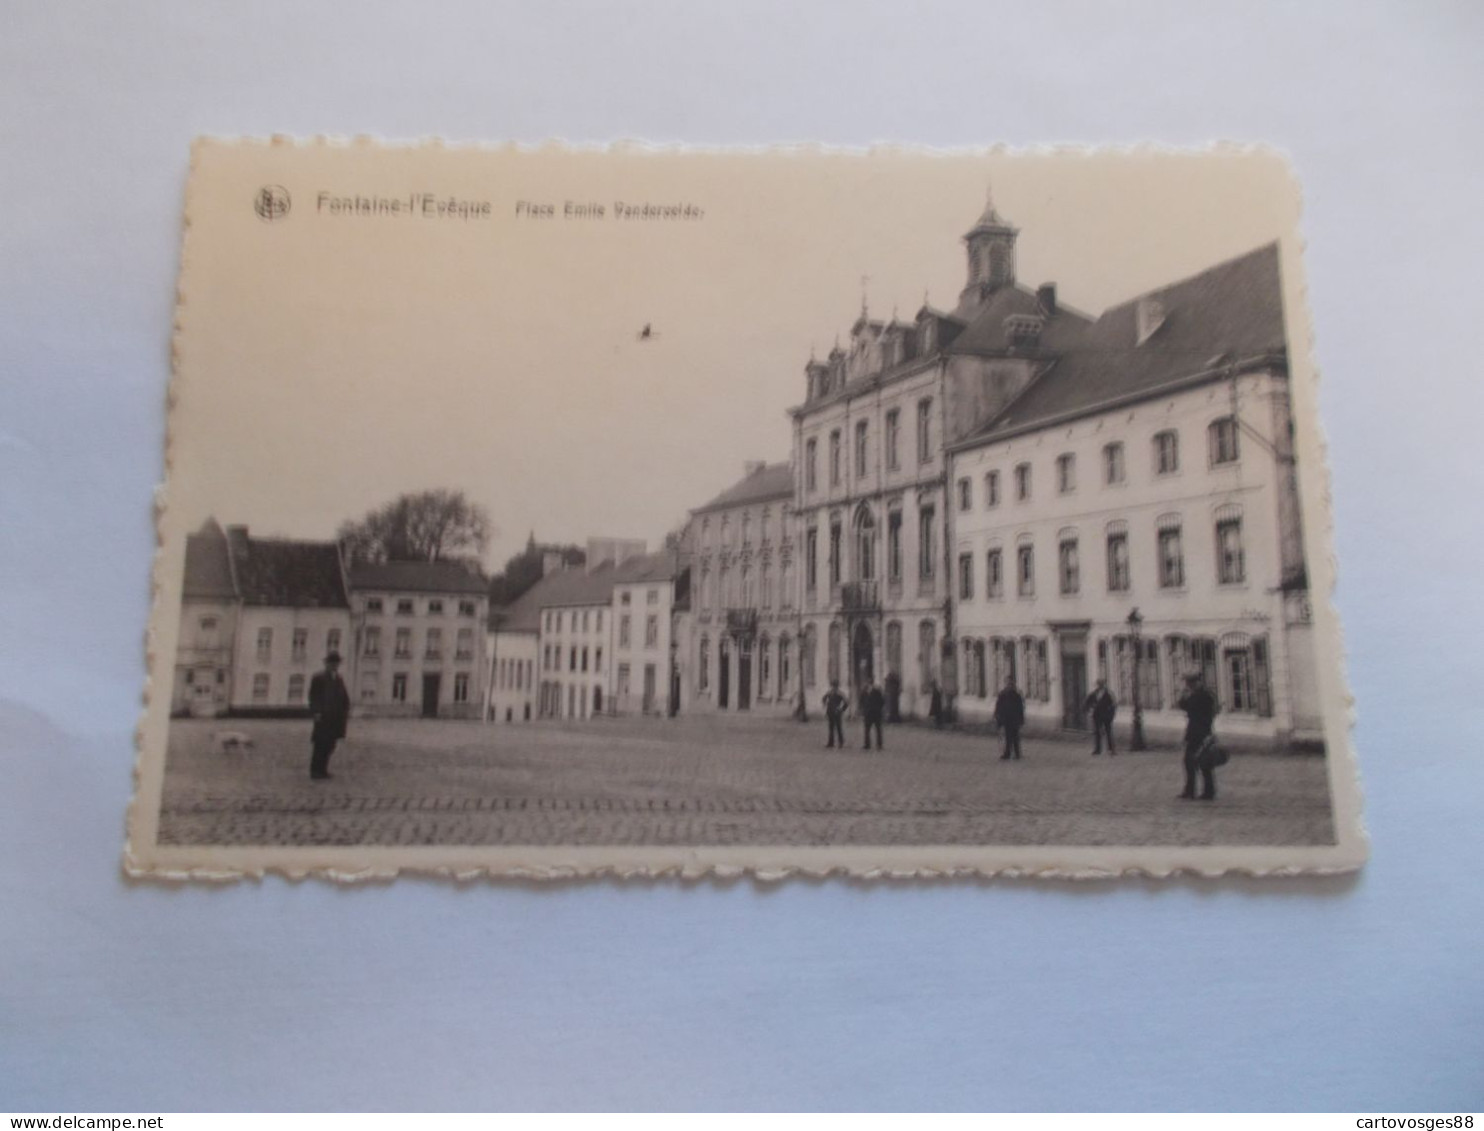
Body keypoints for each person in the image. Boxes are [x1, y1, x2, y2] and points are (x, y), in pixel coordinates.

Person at [308, 651, 351, 781]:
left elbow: (344, 697)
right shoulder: (319, 678)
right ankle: (315, 771)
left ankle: (323, 770)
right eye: (332, 663)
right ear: (326, 664)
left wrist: (345, 709)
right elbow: (313, 697)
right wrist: (316, 712)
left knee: (330, 745)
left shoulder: (338, 678)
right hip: (323, 717)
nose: (334, 666)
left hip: (335, 718)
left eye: (336, 663)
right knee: (320, 744)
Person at [1177, 671, 1220, 800]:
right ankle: (1192, 790)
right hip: (1195, 732)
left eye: (1189, 683)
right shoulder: (1198, 694)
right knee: (1190, 762)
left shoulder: (1203, 696)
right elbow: (1183, 706)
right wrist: (1185, 696)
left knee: (1203, 762)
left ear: (1195, 682)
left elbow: (1189, 707)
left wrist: (1186, 697)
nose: (1188, 686)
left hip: (1201, 733)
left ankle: (1207, 791)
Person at [993, 677, 1026, 761]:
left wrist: (1021, 719)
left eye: (1011, 683)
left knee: (1015, 737)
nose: (1010, 685)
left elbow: (1020, 708)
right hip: (1006, 719)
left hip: (1014, 719)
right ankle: (1007, 753)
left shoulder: (1017, 695)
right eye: (1008, 683)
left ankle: (1017, 753)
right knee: (1007, 737)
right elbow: (998, 706)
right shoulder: (1002, 695)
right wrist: (997, 716)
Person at [1084, 678, 1118, 756]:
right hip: (1097, 716)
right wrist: (1089, 710)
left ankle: (1111, 749)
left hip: (1106, 716)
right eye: (1098, 684)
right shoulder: (1094, 693)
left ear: (1104, 685)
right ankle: (1097, 749)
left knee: (1108, 732)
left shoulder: (1109, 693)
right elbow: (1087, 702)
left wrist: (1111, 715)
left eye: (1101, 684)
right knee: (1097, 733)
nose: (1099, 685)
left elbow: (1114, 705)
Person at [860, 679, 886, 750]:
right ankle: (867, 744)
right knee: (867, 730)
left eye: (870, 684)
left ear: (872, 684)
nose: (868, 685)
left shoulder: (877, 692)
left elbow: (882, 701)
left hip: (876, 714)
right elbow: (861, 702)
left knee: (878, 729)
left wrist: (878, 709)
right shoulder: (864, 692)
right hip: (867, 714)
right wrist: (863, 711)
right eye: (868, 684)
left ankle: (879, 744)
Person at [821, 680, 847, 749]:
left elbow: (846, 702)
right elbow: (823, 698)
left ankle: (840, 742)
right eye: (833, 685)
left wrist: (841, 709)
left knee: (838, 728)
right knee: (831, 728)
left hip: (837, 713)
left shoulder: (839, 693)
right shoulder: (830, 692)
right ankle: (831, 742)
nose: (834, 687)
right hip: (830, 712)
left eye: (835, 685)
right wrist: (825, 704)